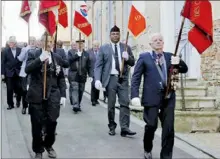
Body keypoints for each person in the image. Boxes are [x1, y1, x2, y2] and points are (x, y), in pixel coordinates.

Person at [130, 33, 188, 159]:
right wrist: (134, 95)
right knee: (151, 126)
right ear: (150, 44)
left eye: (160, 40)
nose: (158, 42)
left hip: (168, 97)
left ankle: (166, 156)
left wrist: (178, 63)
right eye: (155, 40)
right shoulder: (144, 57)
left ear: (163, 42)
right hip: (151, 98)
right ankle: (147, 147)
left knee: (168, 129)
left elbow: (185, 69)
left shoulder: (170, 56)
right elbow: (136, 77)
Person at [25, 33, 67, 159]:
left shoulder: (57, 57)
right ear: (41, 42)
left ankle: (48, 145)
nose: (49, 44)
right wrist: (40, 59)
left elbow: (60, 78)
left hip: (53, 95)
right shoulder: (33, 54)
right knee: (36, 124)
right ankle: (38, 149)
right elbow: (27, 69)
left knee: (52, 122)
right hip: (36, 95)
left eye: (51, 41)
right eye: (47, 41)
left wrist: (63, 94)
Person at [94, 25, 136, 137]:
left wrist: (128, 58)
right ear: (110, 36)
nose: (115, 36)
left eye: (117, 34)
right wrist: (97, 79)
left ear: (119, 35)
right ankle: (112, 126)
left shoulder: (126, 47)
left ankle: (125, 127)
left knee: (125, 103)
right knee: (111, 105)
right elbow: (98, 65)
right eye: (113, 34)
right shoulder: (104, 48)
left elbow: (133, 62)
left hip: (123, 78)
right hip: (110, 79)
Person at [68, 39, 93, 112]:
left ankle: (78, 103)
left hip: (83, 75)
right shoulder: (71, 52)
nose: (80, 45)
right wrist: (76, 55)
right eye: (79, 44)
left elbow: (89, 66)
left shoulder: (86, 54)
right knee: (75, 89)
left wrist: (91, 75)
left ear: (83, 45)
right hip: (74, 74)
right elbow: (69, 61)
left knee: (81, 90)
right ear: (76, 45)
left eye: (82, 44)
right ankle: (75, 105)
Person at [17, 36, 37, 114]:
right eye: (31, 40)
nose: (32, 42)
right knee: (24, 90)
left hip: (34, 73)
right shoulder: (25, 49)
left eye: (33, 40)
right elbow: (20, 59)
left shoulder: (37, 50)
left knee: (33, 90)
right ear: (29, 41)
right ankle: (24, 107)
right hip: (25, 73)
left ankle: (31, 108)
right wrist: (25, 51)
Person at [1, 36, 22, 109]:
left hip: (18, 73)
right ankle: (10, 104)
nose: (11, 44)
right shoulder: (5, 51)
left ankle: (18, 101)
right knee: (9, 89)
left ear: (15, 43)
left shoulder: (20, 50)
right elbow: (3, 63)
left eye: (12, 42)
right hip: (9, 73)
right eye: (9, 42)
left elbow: (22, 61)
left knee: (19, 88)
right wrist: (2, 73)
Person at [87, 40, 100, 106]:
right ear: (92, 46)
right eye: (95, 46)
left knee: (98, 85)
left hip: (99, 72)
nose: (96, 47)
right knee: (93, 85)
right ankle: (93, 100)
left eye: (97, 46)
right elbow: (87, 62)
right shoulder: (89, 52)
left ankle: (96, 98)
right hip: (91, 72)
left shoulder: (100, 52)